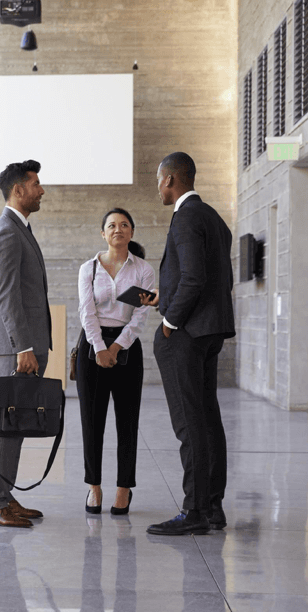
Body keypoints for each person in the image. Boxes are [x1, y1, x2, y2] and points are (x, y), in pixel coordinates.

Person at [142, 152, 235, 536]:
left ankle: (193, 510)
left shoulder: (185, 217)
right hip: (210, 330)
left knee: (189, 422)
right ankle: (212, 505)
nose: (157, 188)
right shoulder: (214, 217)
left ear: (170, 180)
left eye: (159, 180)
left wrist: (169, 321)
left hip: (187, 333)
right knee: (207, 416)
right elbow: (210, 278)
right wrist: (164, 298)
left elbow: (194, 279)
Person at [0, 159, 51, 528]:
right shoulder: (6, 231)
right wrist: (23, 346)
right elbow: (7, 296)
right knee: (7, 426)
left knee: (17, 423)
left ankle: (3, 496)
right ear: (18, 189)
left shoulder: (19, 228)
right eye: (35, 184)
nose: (41, 190)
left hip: (25, 345)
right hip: (15, 347)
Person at [76, 208, 154, 516]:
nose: (117, 229)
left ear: (132, 232)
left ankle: (124, 488)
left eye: (124, 225)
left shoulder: (143, 270)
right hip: (92, 348)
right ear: (103, 233)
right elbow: (86, 311)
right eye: (111, 225)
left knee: (127, 421)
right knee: (91, 422)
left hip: (128, 349)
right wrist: (99, 348)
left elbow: (141, 314)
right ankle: (93, 486)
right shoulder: (89, 269)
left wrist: (118, 347)